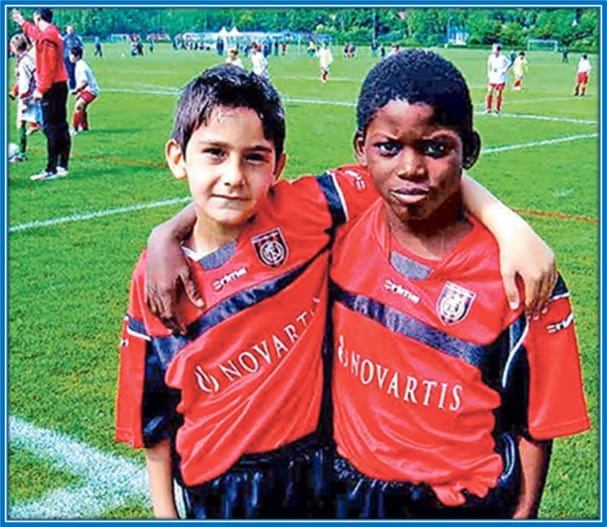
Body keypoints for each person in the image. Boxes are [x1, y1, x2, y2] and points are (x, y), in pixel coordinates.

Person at [121, 65, 557, 520]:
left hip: (317, 469)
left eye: (254, 157)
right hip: (219, 486)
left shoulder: (305, 209)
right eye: (215, 153)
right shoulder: (158, 277)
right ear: (177, 158)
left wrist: (508, 225)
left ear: (277, 165)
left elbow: (412, 172)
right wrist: (164, 512)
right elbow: (155, 415)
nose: (234, 175)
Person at [329, 49, 590, 519]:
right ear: (360, 148)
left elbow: (536, 425)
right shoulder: (336, 227)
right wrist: (167, 236)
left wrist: (524, 511)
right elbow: (237, 202)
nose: (410, 167)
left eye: (435, 148)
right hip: (348, 491)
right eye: (389, 147)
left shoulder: (525, 278)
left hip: (459, 503)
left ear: (469, 150)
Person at [12, 7, 72, 181]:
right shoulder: (51, 33)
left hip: (51, 87)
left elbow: (48, 67)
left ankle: (51, 169)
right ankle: (62, 165)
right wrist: (22, 22)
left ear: (38, 17)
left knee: (51, 127)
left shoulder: (46, 38)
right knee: (61, 125)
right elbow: (35, 33)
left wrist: (41, 89)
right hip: (60, 84)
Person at [9, 32, 41, 161]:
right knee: (25, 122)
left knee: (31, 123)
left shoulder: (24, 61)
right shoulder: (25, 58)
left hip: (28, 96)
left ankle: (21, 154)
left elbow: (28, 81)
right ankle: (21, 154)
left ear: (14, 47)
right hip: (31, 95)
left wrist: (25, 100)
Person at [69, 46, 99, 135]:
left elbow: (84, 82)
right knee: (82, 108)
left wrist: (76, 90)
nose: (70, 57)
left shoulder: (81, 66)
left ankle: (74, 129)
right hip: (86, 90)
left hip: (91, 90)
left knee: (78, 106)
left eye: (71, 55)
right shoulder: (79, 64)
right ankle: (84, 127)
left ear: (77, 56)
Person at [485, 44, 510, 115]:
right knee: (489, 91)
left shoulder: (503, 58)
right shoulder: (491, 57)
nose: (493, 50)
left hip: (501, 78)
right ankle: (488, 108)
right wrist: (489, 73)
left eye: (494, 49)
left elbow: (509, 63)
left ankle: (497, 109)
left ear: (498, 50)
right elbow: (489, 65)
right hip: (493, 77)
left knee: (498, 93)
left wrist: (505, 70)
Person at [62, 24, 83, 91]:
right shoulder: (64, 39)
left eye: (71, 30)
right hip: (67, 58)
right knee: (69, 71)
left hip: (75, 58)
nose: (70, 31)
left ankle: (75, 85)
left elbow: (81, 47)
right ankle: (72, 86)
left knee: (75, 71)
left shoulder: (77, 38)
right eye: (69, 30)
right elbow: (61, 48)